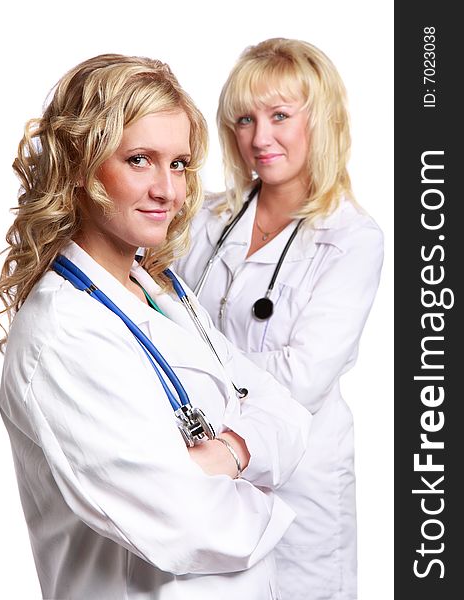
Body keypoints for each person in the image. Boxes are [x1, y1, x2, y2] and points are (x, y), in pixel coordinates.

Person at [0, 53, 312, 600]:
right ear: (80, 164)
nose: (169, 190)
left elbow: (287, 412)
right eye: (140, 160)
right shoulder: (63, 334)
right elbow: (191, 524)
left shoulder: (167, 292)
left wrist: (229, 450)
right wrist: (262, 471)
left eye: (180, 163)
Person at [175, 38, 384, 600]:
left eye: (280, 116)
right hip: (213, 468)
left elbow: (303, 377)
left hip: (300, 479)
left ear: (322, 120)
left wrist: (194, 370)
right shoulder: (205, 219)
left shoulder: (351, 239)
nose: (259, 138)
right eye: (244, 119)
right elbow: (155, 318)